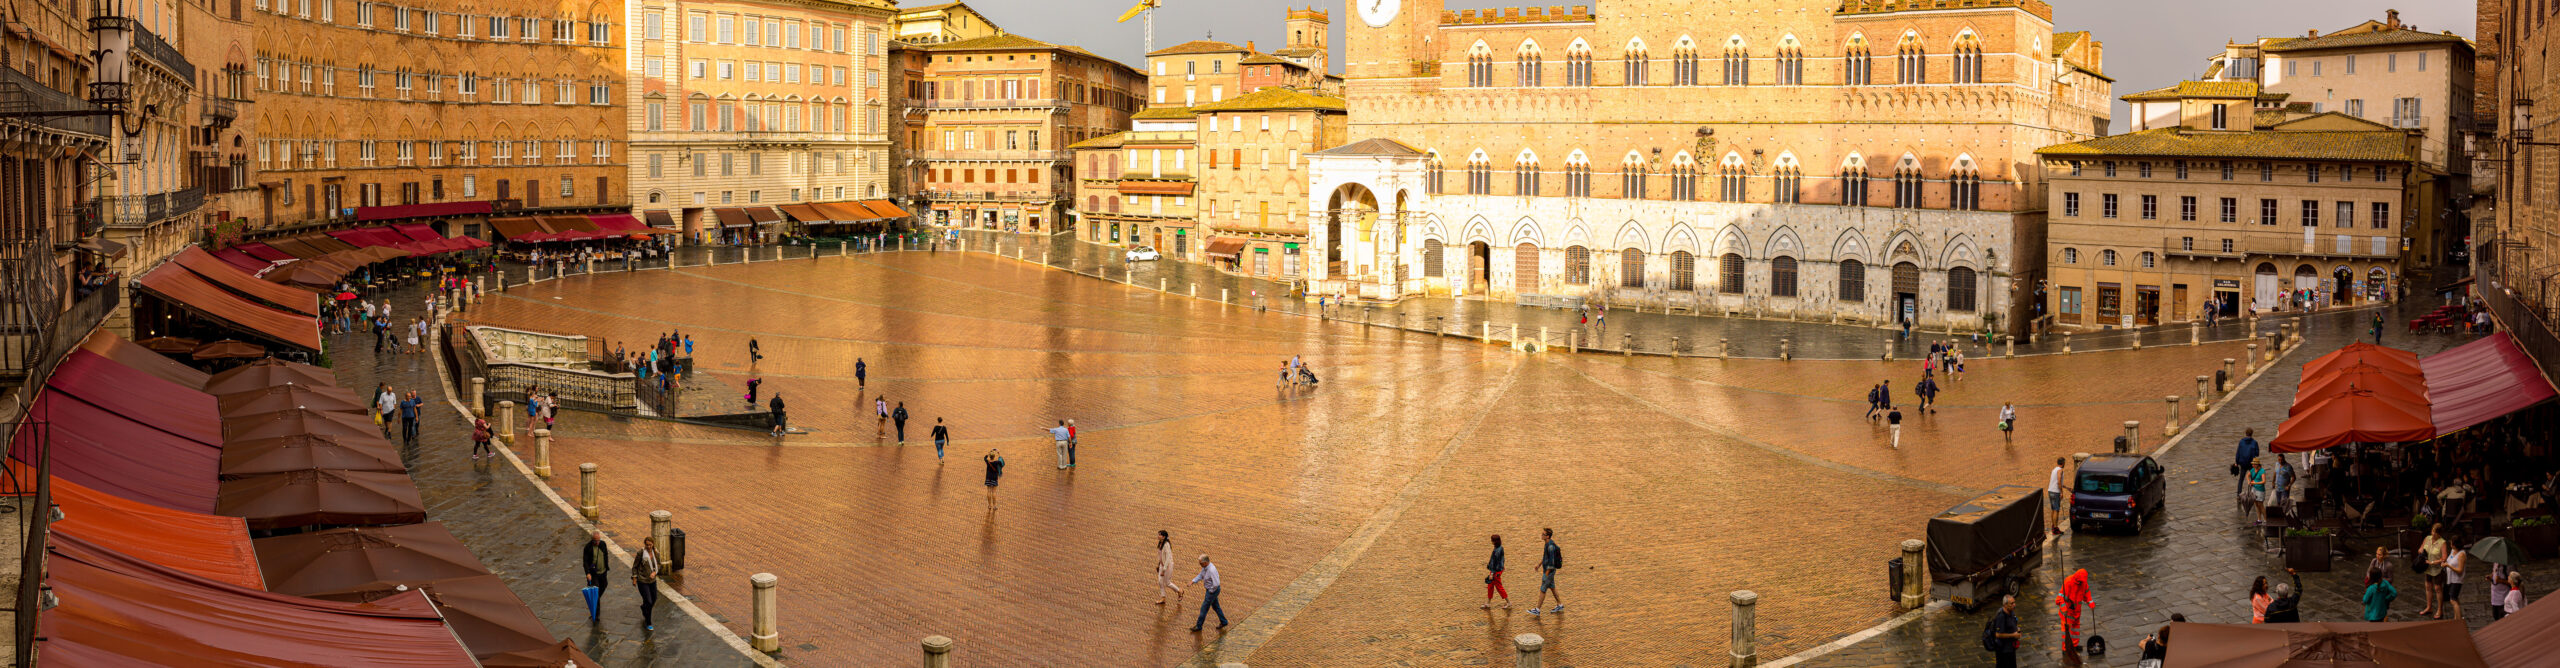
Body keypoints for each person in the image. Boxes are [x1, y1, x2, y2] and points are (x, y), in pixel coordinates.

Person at [2057, 568, 2093, 653]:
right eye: (2080, 581)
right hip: (2068, 612)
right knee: (2066, 631)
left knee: (2075, 630)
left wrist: (2090, 603)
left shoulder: (2083, 583)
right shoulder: (2068, 582)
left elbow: (2087, 593)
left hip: (2076, 611)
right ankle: (2065, 649)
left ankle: (2074, 645)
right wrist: (2064, 608)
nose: (2082, 583)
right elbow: (2060, 598)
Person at [632, 536, 663, 631]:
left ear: (653, 544)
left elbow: (659, 564)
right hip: (642, 580)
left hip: (652, 581)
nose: (649, 547)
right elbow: (635, 566)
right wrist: (634, 578)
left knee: (654, 599)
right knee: (648, 601)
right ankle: (648, 622)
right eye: (647, 545)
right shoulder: (641, 553)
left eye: (650, 545)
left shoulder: (656, 553)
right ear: (644, 545)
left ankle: (644, 608)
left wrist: (655, 572)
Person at [1190, 554, 1226, 632]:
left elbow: (1216, 584)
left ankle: (1199, 626)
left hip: (1212, 591)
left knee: (1204, 608)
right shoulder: (1205, 568)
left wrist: (1210, 591)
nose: (1200, 565)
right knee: (1216, 606)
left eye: (1201, 563)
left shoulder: (1211, 570)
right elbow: (1201, 575)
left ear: (1205, 562)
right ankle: (1224, 621)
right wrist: (1193, 581)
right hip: (1211, 590)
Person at [1531, 528, 1564, 615]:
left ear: (1547, 536)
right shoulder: (1547, 544)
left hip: (1549, 572)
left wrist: (1546, 574)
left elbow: (1551, 563)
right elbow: (1545, 557)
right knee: (1552, 587)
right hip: (1548, 571)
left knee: (1543, 589)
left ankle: (1537, 609)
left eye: (1543, 534)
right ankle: (1560, 604)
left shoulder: (1550, 547)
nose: (1541, 535)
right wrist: (1539, 565)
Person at [582, 531, 612, 622]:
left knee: (603, 586)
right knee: (596, 590)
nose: (597, 542)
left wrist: (606, 566)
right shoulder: (588, 547)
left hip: (603, 572)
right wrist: (588, 573)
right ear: (592, 540)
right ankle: (596, 614)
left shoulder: (603, 544)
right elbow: (585, 562)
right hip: (594, 574)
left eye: (598, 540)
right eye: (595, 541)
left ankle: (595, 601)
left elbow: (605, 555)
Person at [2419, 525, 2448, 618]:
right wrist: (2421, 553)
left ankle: (2440, 610)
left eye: (2435, 532)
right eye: (2432, 531)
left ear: (2439, 533)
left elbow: (2444, 558)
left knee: (2437, 589)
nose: (2433, 533)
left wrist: (2432, 562)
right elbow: (2420, 549)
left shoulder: (2442, 542)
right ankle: (2429, 607)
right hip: (2427, 568)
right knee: (2428, 586)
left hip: (2437, 569)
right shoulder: (2427, 538)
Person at [1987, 594, 2021, 668]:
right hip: (2003, 650)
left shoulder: (2011, 612)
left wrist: (2016, 629)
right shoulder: (2001, 616)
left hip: (2011, 648)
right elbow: (1998, 634)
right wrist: (2013, 635)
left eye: (2014, 602)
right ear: (2005, 605)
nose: (2014, 605)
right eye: (2011, 603)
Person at [2443, 536, 2468, 620]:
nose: (2450, 544)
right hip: (2450, 578)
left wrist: (2448, 566)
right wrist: (2444, 563)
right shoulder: (2453, 551)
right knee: (2455, 598)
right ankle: (2457, 617)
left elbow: (2460, 570)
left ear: (2455, 545)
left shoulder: (2461, 554)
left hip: (2457, 580)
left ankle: (2458, 620)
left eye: (2451, 543)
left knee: (2452, 600)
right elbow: (2449, 560)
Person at [1156, 530, 1184, 605]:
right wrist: (1159, 564)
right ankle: (1163, 598)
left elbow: (1168, 558)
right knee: (1160, 582)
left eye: (1159, 535)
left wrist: (1164, 570)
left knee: (1167, 583)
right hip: (1162, 565)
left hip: (1168, 566)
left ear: (1164, 536)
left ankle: (1179, 591)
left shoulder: (1166, 545)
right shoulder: (1160, 543)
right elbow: (1161, 555)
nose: (1158, 536)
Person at [1482, 534, 1509, 610]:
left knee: (1499, 587)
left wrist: (1492, 573)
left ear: (1494, 541)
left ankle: (1508, 602)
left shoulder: (1496, 550)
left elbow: (1495, 562)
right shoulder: (1500, 548)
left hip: (1495, 572)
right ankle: (1488, 603)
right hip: (1497, 570)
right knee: (1490, 586)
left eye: (1492, 540)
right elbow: (1502, 559)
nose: (1491, 542)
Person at [2234, 428, 2261, 501]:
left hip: (2242, 463)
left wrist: (2236, 462)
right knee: (2253, 479)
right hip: (2251, 464)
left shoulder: (2241, 442)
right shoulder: (2254, 442)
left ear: (2246, 433)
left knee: (2241, 479)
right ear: (2252, 434)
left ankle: (2238, 495)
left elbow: (2238, 453)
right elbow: (2257, 453)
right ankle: (2252, 494)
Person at [2049, 458, 2067, 535]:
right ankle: (2056, 528)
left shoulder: (2054, 470)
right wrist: (2061, 492)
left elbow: (2056, 481)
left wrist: (2064, 486)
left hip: (2050, 491)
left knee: (2053, 509)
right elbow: (2059, 481)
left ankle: (2053, 526)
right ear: (2063, 463)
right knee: (2056, 510)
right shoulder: (2060, 470)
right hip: (2056, 492)